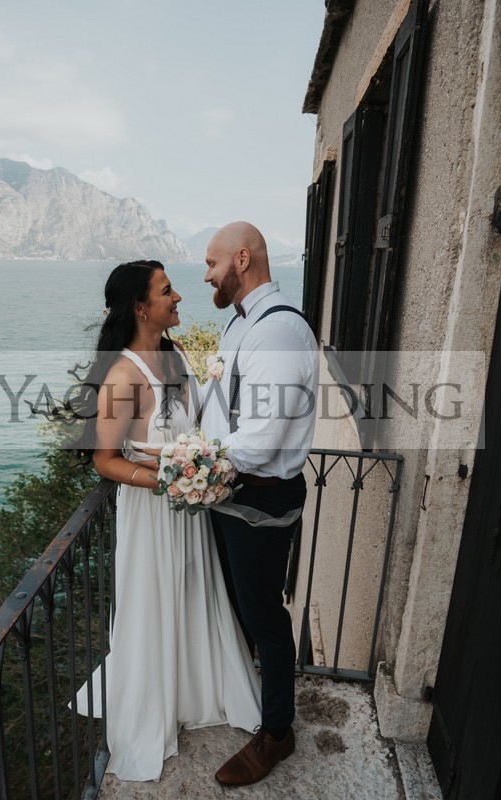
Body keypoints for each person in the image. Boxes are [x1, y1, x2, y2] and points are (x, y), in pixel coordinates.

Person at [72, 259, 261, 782]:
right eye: (167, 291)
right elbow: (105, 461)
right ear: (140, 307)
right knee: (155, 598)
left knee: (194, 591)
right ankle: (153, 706)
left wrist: (201, 465)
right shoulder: (122, 375)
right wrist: (166, 481)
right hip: (153, 511)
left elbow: (195, 428)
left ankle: (196, 689)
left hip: (188, 508)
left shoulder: (174, 355)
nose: (178, 297)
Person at [200, 222, 319, 786]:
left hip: (260, 499)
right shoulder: (240, 321)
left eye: (212, 263)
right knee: (239, 607)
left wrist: (191, 465)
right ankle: (249, 696)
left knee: (264, 617)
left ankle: (277, 732)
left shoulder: (278, 333)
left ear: (242, 259)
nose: (206, 275)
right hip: (231, 490)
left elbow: (263, 439)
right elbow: (220, 405)